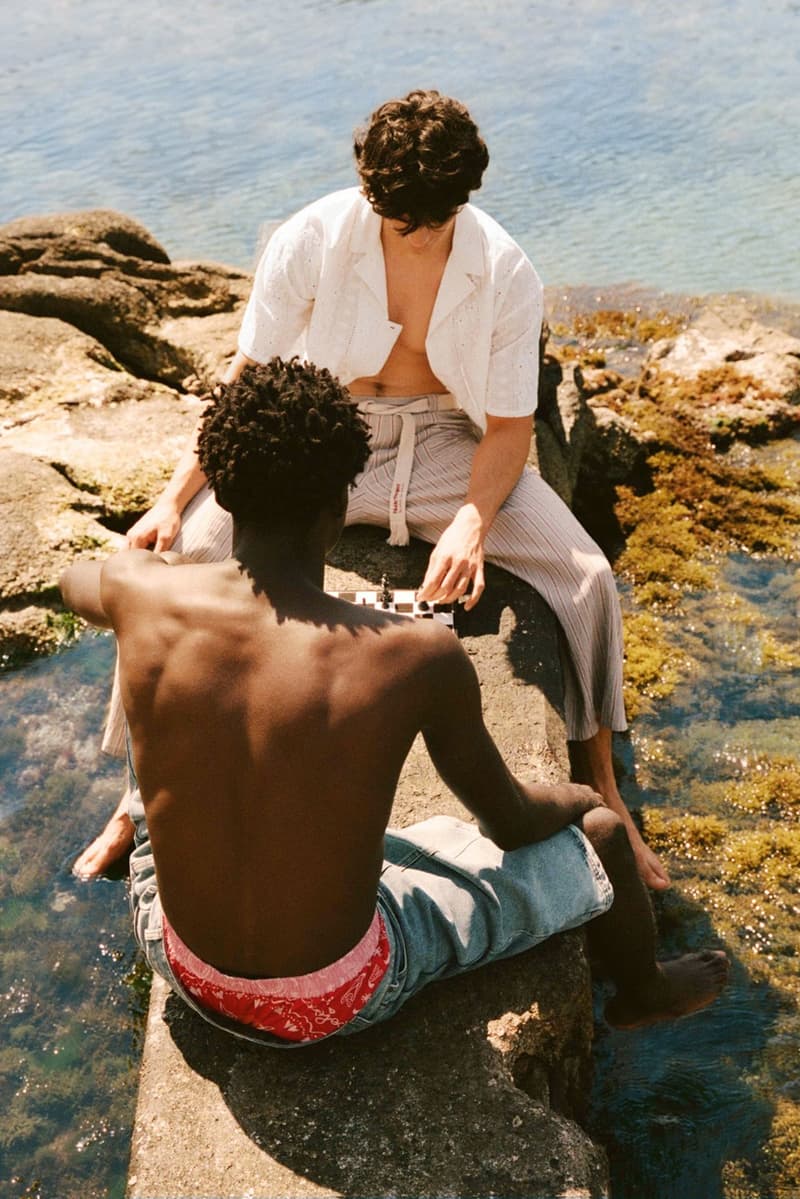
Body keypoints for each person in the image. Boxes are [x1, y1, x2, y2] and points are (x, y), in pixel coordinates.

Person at [80, 88, 669, 891]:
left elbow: (508, 426)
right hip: (330, 432)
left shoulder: (506, 268)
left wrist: (472, 520)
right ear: (369, 188)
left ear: (465, 196)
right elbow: (247, 382)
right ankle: (135, 798)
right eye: (400, 220)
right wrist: (172, 497)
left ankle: (605, 784)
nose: (419, 234)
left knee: (590, 578)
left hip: (448, 443)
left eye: (437, 219)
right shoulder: (310, 238)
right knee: (178, 557)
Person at [61, 359, 727, 1046]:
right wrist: (580, 795)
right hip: (333, 995)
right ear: (341, 503)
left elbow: (73, 581)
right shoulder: (415, 654)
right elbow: (511, 822)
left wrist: (157, 572)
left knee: (164, 689)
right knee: (601, 836)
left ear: (223, 494)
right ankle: (644, 990)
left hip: (184, 963)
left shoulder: (138, 592)